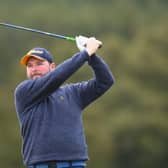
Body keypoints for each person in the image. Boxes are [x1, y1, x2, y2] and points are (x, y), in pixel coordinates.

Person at [14, 36, 115, 168]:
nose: (34, 69)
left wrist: (92, 56)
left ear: (52, 66)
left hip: (77, 163)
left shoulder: (72, 93)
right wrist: (85, 53)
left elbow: (105, 81)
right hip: (43, 165)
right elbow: (57, 77)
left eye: (39, 64)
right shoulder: (24, 91)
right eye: (30, 66)